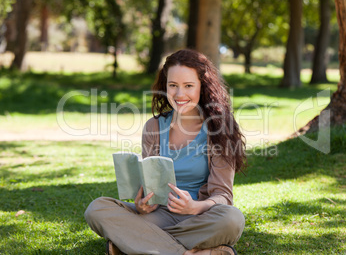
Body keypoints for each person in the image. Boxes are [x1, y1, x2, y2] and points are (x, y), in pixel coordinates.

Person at [84, 49, 247, 255]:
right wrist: (142, 205)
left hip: (200, 217)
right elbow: (148, 181)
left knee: (232, 219)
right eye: (173, 86)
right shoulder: (154, 126)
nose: (179, 95)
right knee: (97, 209)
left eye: (188, 86)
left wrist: (195, 207)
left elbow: (223, 195)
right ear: (165, 86)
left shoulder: (220, 128)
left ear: (202, 86)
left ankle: (134, 243)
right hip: (158, 216)